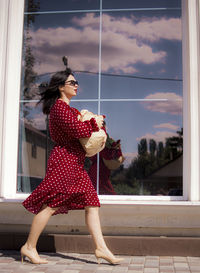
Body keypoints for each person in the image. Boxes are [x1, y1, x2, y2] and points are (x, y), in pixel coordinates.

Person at [20, 67, 123, 265]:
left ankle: (101, 248)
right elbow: (78, 130)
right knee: (52, 205)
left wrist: (97, 124)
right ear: (60, 87)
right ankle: (29, 247)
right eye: (72, 83)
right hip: (64, 161)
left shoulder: (70, 110)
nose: (76, 86)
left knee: (92, 203)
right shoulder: (59, 108)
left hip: (75, 162)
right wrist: (94, 123)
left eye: (76, 83)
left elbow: (83, 129)